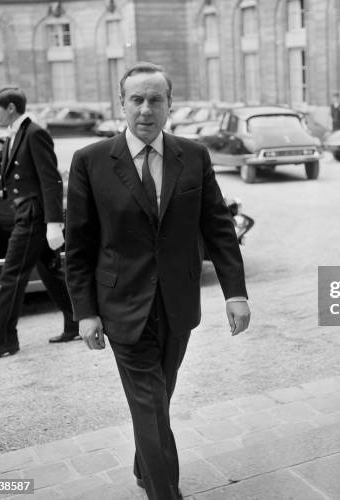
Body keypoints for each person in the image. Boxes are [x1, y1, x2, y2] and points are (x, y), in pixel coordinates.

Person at [65, 62, 250, 500]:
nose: (146, 109)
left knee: (158, 395)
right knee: (148, 401)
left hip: (178, 302)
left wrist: (236, 293)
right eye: (136, 99)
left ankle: (142, 464)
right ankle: (164, 491)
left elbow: (218, 228)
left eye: (155, 99)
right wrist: (85, 313)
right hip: (121, 304)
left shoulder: (194, 154)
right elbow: (79, 244)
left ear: (170, 104)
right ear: (122, 104)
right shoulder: (90, 161)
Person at [0, 86, 78, 360]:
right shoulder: (15, 135)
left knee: (11, 276)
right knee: (49, 272)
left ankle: (3, 341)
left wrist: (54, 223)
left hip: (34, 217)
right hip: (26, 213)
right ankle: (75, 322)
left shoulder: (34, 134)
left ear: (10, 107)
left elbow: (51, 179)